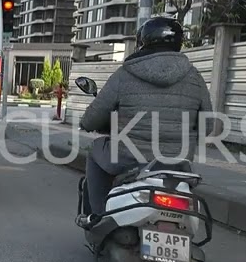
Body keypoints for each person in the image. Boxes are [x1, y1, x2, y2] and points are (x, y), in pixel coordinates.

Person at [76, 17, 214, 228]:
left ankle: (98, 216)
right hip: (177, 161)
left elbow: (93, 117)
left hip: (129, 157)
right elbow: (208, 126)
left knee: (96, 149)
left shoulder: (126, 73)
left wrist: (86, 123)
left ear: (144, 41)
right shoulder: (194, 76)